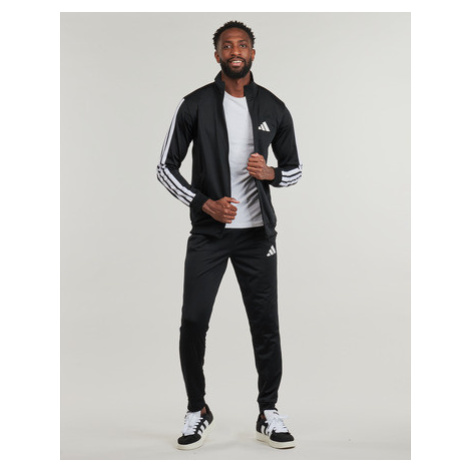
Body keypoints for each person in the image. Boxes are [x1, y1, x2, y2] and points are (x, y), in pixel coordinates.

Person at [157, 20, 302, 450]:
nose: (234, 51)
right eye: (226, 45)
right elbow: (165, 167)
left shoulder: (273, 107)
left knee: (265, 324)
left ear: (252, 53)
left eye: (242, 45)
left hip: (257, 236)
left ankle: (268, 411)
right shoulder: (195, 104)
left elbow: (295, 169)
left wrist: (271, 173)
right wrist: (205, 204)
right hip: (210, 235)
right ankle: (197, 409)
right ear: (217, 54)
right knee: (193, 321)